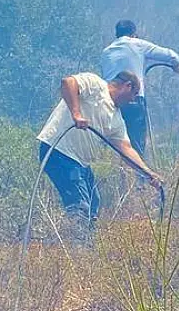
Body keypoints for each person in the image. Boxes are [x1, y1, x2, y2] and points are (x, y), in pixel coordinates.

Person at [36, 70, 162, 223]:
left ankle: (86, 242)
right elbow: (68, 82)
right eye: (134, 94)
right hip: (58, 152)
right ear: (127, 86)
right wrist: (76, 114)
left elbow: (126, 149)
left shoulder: (116, 119)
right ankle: (78, 244)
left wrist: (148, 173)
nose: (133, 100)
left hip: (79, 162)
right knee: (80, 206)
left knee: (93, 203)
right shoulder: (96, 85)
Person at [100, 19, 179, 156]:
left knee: (114, 145)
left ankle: (119, 172)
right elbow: (172, 56)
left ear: (117, 35)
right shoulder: (137, 44)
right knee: (136, 145)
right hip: (132, 100)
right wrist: (176, 66)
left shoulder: (106, 52)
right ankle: (139, 174)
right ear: (133, 33)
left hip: (110, 102)